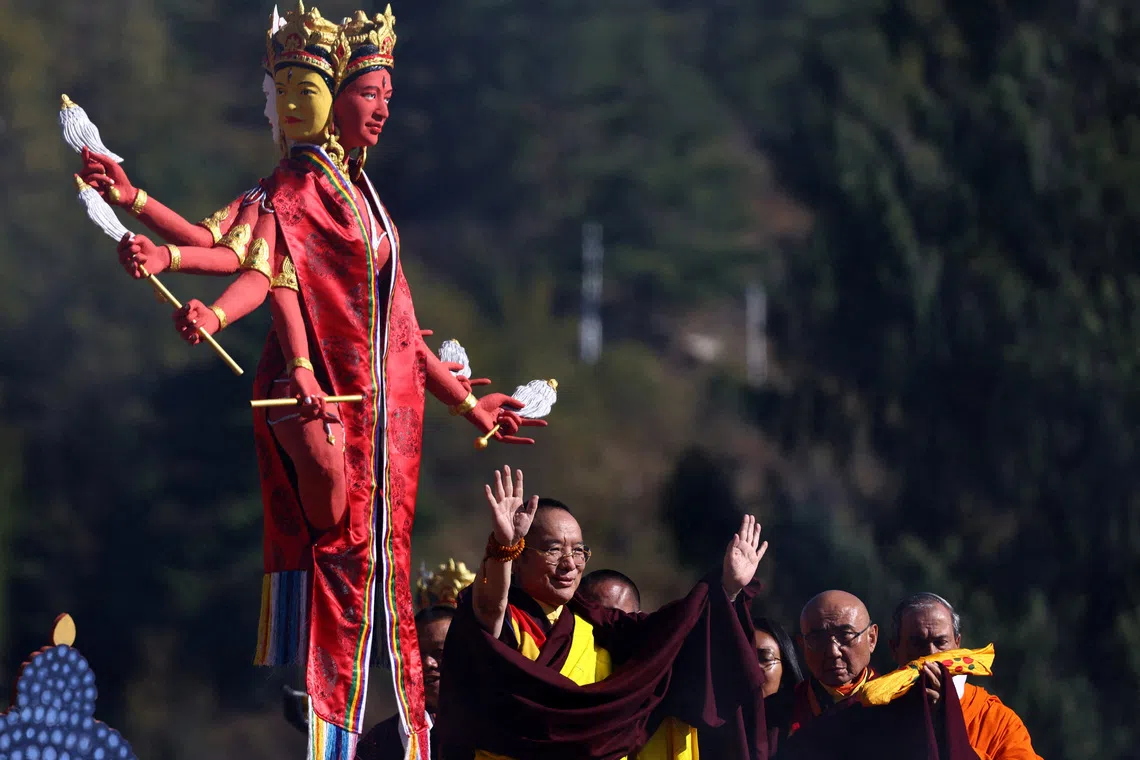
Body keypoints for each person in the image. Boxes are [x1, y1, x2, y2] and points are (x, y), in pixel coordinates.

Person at [82, 7, 543, 759]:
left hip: (390, 430)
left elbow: (400, 325)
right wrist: (141, 218)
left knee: (381, 583)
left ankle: (364, 726)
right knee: (340, 555)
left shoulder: (365, 199)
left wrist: (464, 401)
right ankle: (320, 706)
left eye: (390, 94)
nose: (384, 107)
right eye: (369, 94)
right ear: (333, 101)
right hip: (325, 404)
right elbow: (233, 248)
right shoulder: (301, 184)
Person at [438, 466, 770, 759]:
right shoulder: (509, 620)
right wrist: (503, 546)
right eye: (554, 550)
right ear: (521, 556)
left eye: (579, 551)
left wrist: (726, 588)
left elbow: (671, 638)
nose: (569, 564)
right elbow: (488, 608)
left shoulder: (599, 627)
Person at [890, 593, 1042, 760]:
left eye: (941, 643)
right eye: (917, 644)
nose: (931, 654)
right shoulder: (873, 712)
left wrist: (947, 727)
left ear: (958, 645)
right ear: (894, 649)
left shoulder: (997, 721)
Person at [787, 590, 879, 736]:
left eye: (845, 636)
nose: (833, 652)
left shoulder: (897, 703)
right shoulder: (780, 711)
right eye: (817, 639)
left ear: (871, 639)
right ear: (802, 645)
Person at [752, 617, 803, 755]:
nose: (752, 670)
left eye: (765, 658)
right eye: (745, 659)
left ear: (785, 669)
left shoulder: (807, 727)